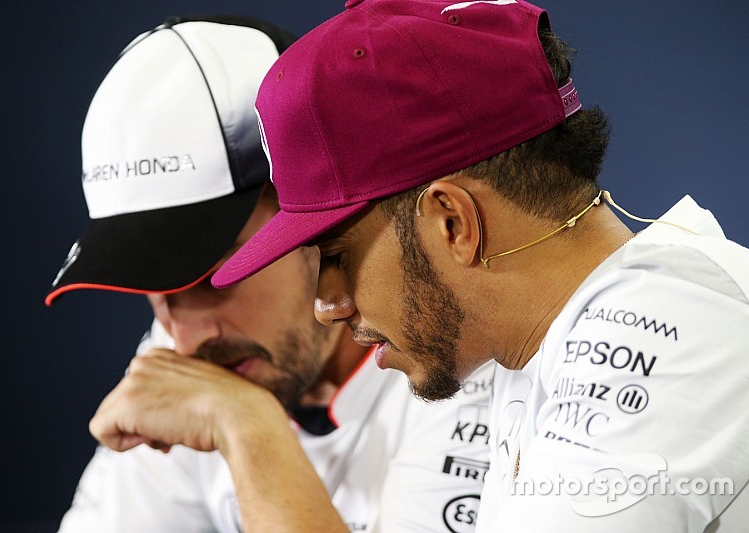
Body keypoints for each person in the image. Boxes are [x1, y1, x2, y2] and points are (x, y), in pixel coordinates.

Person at [209, 0, 744, 531]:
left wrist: (246, 429)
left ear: (453, 223)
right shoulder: (540, 348)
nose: (328, 306)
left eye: (337, 257)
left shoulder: (665, 328)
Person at [49, 14, 492, 533]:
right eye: (158, 291)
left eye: (214, 278)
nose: (186, 339)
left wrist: (245, 426)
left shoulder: (462, 349)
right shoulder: (193, 354)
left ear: (316, 210)